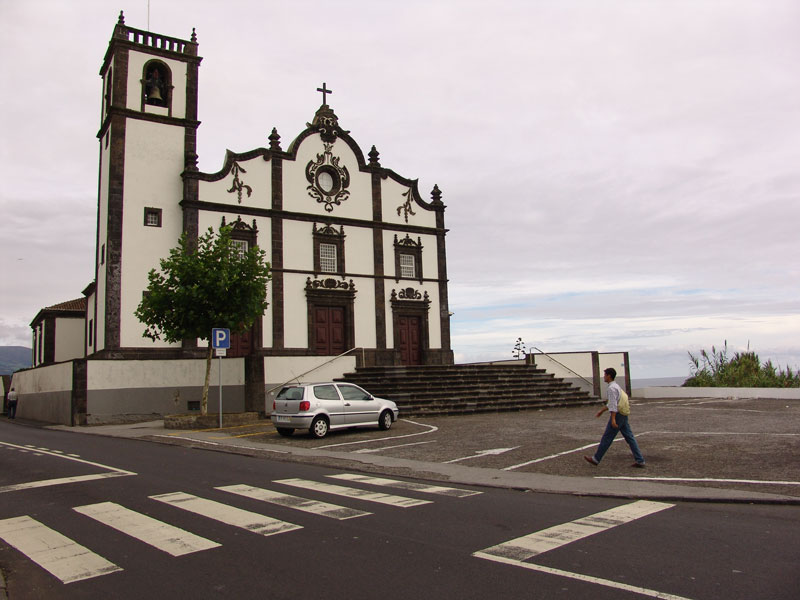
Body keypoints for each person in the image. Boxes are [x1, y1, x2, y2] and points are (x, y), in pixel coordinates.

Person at [584, 368, 645, 467]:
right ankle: (640, 460)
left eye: (605, 375)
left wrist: (613, 419)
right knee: (630, 438)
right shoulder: (616, 386)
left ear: (609, 376)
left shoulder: (611, 388)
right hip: (623, 414)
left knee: (607, 437)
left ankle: (596, 459)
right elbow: (614, 402)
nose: (604, 376)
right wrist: (602, 411)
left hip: (618, 415)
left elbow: (613, 405)